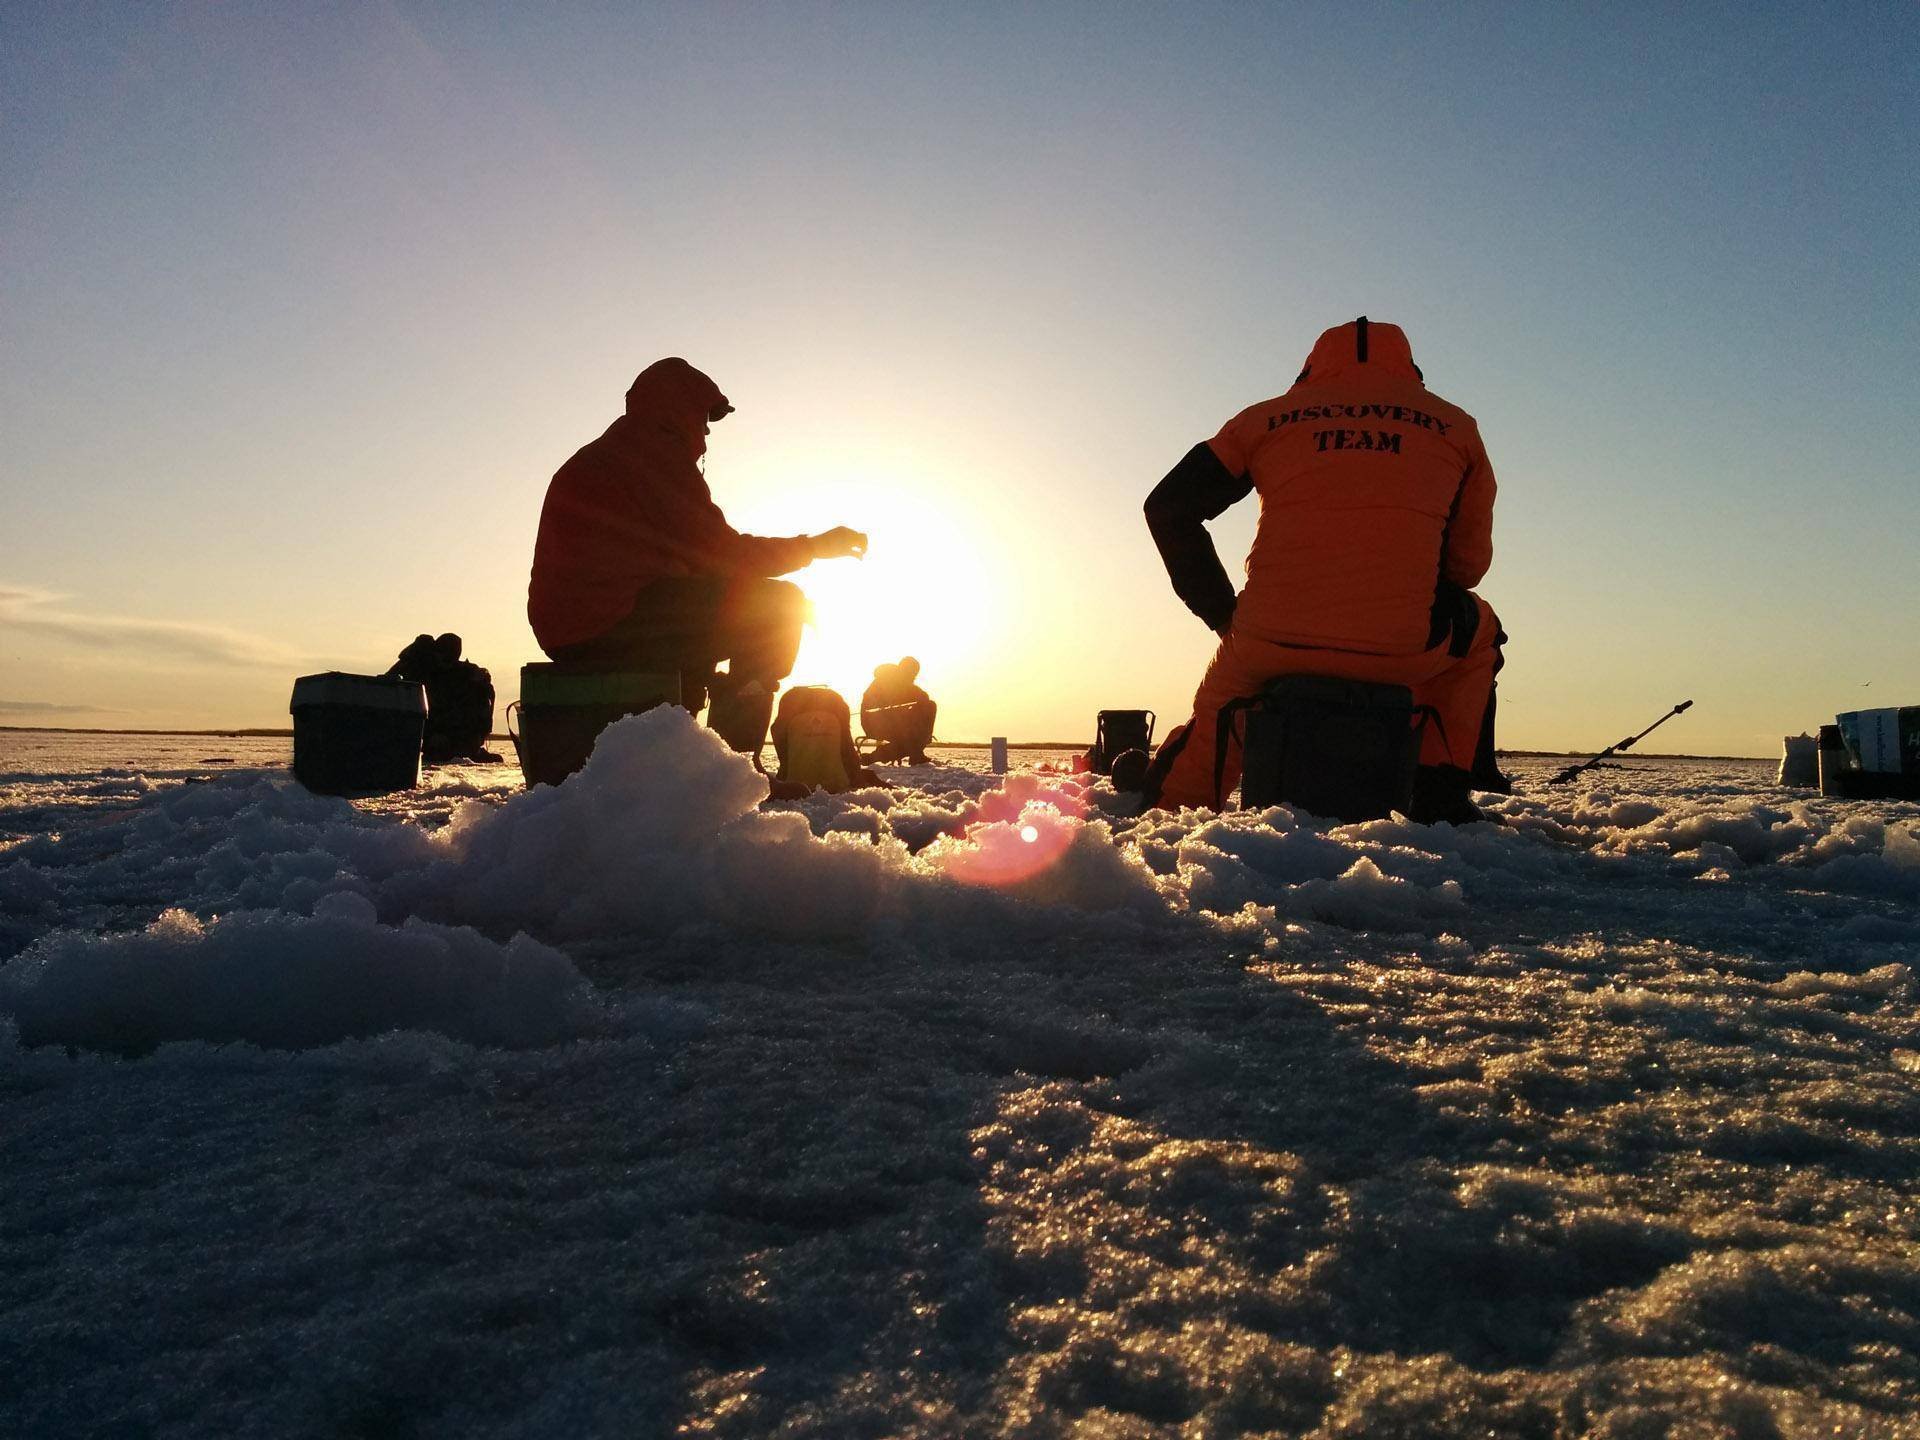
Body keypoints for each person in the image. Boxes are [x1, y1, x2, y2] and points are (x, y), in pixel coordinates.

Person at [1140, 317, 1507, 822]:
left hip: (1268, 644)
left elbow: (1168, 508)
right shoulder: (1455, 427)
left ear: (1312, 365)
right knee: (1480, 633)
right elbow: (1468, 567)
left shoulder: (1265, 420)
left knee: (1218, 721)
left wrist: (1223, 615)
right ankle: (1439, 795)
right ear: (1409, 367)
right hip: (1402, 648)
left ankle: (1167, 817)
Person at [527, 359, 867, 760]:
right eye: (704, 416)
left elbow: (685, 565)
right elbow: (724, 556)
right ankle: (736, 768)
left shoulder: (614, 453)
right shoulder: (650, 454)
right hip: (607, 619)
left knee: (715, 608)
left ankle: (688, 757)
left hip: (577, 623)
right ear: (680, 410)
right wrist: (813, 547)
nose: (706, 430)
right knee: (778, 606)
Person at [385, 632, 501, 764]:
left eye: (451, 660)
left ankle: (466, 746)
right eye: (444, 658)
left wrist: (481, 677)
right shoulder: (417, 667)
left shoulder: (460, 673)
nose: (447, 664)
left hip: (449, 735)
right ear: (436, 653)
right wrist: (432, 735)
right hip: (418, 732)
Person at [860, 656, 937, 764]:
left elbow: (922, 696)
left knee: (927, 708)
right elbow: (918, 696)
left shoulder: (903, 682)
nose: (914, 676)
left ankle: (917, 748)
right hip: (876, 723)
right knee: (915, 738)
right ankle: (874, 757)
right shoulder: (889, 680)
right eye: (913, 673)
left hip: (892, 722)